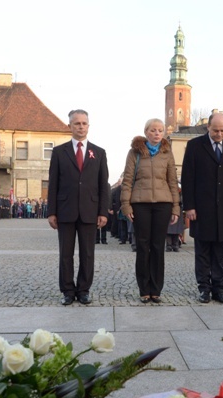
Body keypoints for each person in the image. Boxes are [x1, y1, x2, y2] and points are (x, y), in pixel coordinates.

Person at [181, 113, 223, 305]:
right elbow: (187, 178)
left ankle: (219, 289)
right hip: (201, 208)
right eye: (215, 130)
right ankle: (204, 289)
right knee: (202, 252)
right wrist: (189, 206)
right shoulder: (194, 146)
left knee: (220, 252)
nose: (219, 134)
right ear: (207, 127)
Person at [47, 109, 109, 306]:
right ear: (70, 126)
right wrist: (51, 212)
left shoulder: (98, 153)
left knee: (87, 253)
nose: (81, 127)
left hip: (90, 210)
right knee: (66, 254)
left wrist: (103, 211)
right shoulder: (59, 152)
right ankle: (67, 290)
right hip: (65, 210)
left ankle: (83, 290)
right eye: (77, 123)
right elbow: (53, 183)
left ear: (88, 126)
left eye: (84, 123)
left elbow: (103, 185)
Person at [120, 119, 180, 303]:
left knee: (158, 246)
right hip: (141, 204)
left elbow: (172, 181)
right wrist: (126, 205)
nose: (157, 133)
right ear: (146, 132)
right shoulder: (135, 152)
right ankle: (144, 289)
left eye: (160, 130)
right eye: (153, 130)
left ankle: (156, 289)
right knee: (143, 246)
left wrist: (176, 207)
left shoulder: (167, 152)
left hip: (163, 204)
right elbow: (128, 180)